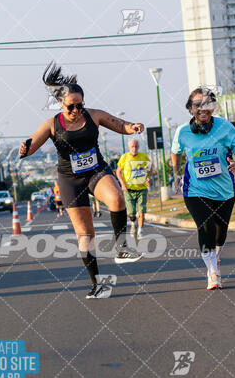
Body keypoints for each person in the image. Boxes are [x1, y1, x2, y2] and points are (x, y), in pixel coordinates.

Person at [19, 62, 144, 299]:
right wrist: (25, 149)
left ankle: (122, 248)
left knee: (117, 199)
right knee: (86, 235)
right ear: (60, 103)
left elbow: (119, 124)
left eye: (79, 105)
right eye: (70, 106)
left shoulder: (94, 115)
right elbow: (32, 144)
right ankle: (96, 284)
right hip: (70, 180)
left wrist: (132, 127)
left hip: (96, 170)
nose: (76, 110)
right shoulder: (51, 124)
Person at [171, 87, 235, 290]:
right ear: (190, 108)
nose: (202, 109)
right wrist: (177, 172)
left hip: (224, 190)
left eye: (207, 104)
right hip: (195, 190)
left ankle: (215, 259)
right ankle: (213, 272)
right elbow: (175, 152)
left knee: (220, 233)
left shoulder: (225, 127)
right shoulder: (183, 131)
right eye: (197, 105)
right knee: (206, 227)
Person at [116, 138, 151, 239]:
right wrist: (122, 184)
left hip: (142, 189)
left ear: (138, 147)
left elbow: (150, 168)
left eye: (136, 146)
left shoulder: (143, 156)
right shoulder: (124, 157)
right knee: (131, 213)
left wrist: (148, 177)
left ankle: (140, 230)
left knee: (141, 211)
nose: (134, 148)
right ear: (129, 147)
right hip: (128, 190)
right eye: (132, 146)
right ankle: (133, 223)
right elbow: (118, 172)